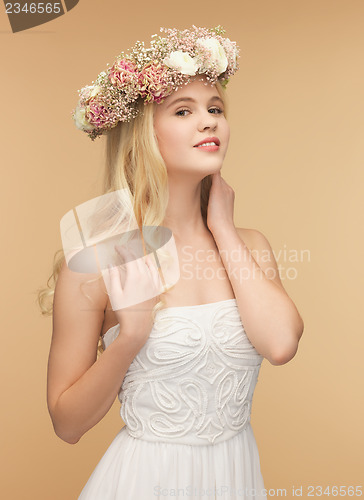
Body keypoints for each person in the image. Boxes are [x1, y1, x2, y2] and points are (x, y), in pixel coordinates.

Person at [38, 26, 304, 499]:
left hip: (235, 477)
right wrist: (130, 338)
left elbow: (281, 344)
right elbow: (66, 424)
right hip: (147, 481)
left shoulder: (250, 244)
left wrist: (222, 227)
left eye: (215, 108)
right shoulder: (98, 263)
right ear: (143, 132)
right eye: (184, 110)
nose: (209, 122)